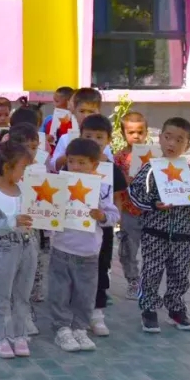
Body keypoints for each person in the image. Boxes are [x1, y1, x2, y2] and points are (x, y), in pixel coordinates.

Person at [129, 117, 190, 334]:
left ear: (187, 145)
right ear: (160, 138)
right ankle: (149, 309)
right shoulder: (150, 170)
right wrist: (153, 204)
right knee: (152, 272)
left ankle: (176, 308)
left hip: (182, 236)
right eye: (168, 137)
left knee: (180, 273)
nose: (172, 143)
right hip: (155, 234)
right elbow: (135, 194)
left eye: (179, 140)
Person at [49, 138, 119, 353]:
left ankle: (80, 328)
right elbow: (46, 211)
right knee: (60, 292)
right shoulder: (58, 185)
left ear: (94, 165)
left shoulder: (101, 189)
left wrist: (101, 216)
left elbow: (113, 215)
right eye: (71, 161)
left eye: (82, 162)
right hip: (61, 248)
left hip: (88, 253)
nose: (76, 167)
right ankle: (62, 329)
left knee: (85, 294)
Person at [0, 141, 38, 359]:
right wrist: (12, 221)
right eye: (23, 167)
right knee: (3, 295)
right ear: (7, 168)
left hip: (29, 244)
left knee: (23, 293)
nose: (25, 172)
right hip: (6, 247)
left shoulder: (26, 189)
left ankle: (19, 334)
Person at [78, 114, 128, 337]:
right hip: (77, 228)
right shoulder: (73, 165)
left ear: (108, 140)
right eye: (88, 136)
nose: (94, 141)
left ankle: (96, 314)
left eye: (99, 137)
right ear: (80, 136)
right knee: (77, 270)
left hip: (103, 229)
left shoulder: (111, 169)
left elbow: (117, 198)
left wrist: (116, 220)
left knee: (99, 269)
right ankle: (75, 312)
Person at [115, 110, 149, 299]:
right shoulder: (119, 158)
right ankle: (133, 281)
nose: (136, 136)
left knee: (152, 250)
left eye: (140, 132)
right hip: (129, 211)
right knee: (128, 249)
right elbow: (115, 187)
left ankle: (149, 282)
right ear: (123, 134)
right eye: (131, 132)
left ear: (146, 133)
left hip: (151, 212)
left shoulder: (154, 157)